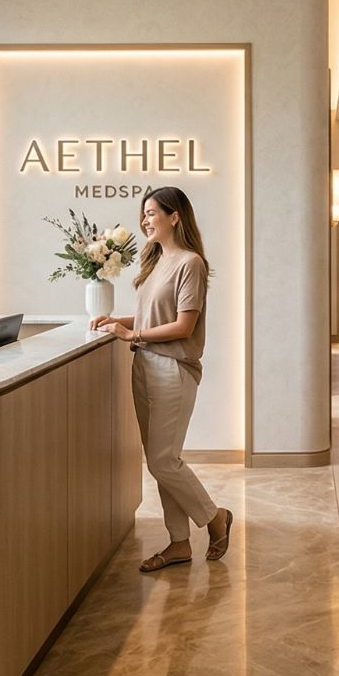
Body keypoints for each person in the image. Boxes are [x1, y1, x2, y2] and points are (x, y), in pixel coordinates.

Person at [90, 186, 234, 573]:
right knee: (160, 460)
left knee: (162, 460)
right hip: (145, 365)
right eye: (144, 213)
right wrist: (117, 321)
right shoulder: (155, 262)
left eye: (152, 212)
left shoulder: (191, 263)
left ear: (175, 216)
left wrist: (131, 334)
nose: (144, 220)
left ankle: (216, 517)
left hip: (174, 369)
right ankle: (179, 543)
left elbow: (183, 326)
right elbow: (153, 318)